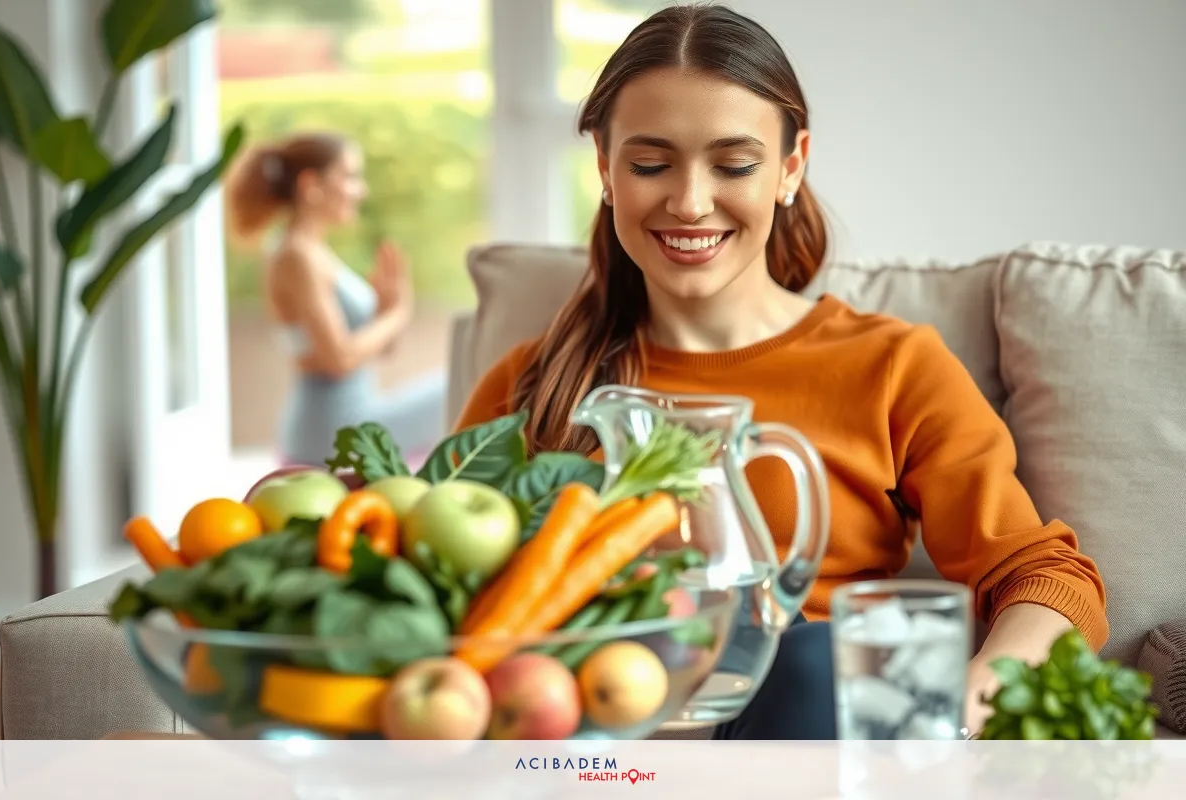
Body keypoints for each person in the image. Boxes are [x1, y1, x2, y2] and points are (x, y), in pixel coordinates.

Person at [453, 3, 1108, 740]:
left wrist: (958, 714)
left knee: (808, 658)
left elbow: (1045, 579)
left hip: (808, 731)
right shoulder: (533, 384)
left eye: (733, 165)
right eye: (649, 164)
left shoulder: (890, 365)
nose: (690, 202)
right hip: (591, 747)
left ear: (790, 168)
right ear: (605, 170)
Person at [226, 132, 443, 467]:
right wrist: (397, 314)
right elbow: (338, 359)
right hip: (333, 430)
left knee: (461, 384)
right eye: (351, 176)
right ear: (311, 184)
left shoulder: (310, 251)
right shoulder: (295, 256)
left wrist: (385, 309)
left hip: (349, 418)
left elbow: (374, 351)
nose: (361, 190)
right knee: (462, 383)